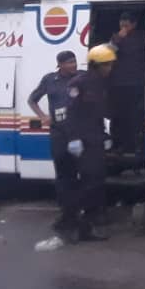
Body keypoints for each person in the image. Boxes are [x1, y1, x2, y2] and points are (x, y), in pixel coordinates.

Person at [58, 44, 117, 242]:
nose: (110, 68)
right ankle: (75, 225)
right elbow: (71, 114)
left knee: (97, 182)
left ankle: (85, 227)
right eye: (107, 65)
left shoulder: (101, 83)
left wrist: (105, 135)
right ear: (96, 65)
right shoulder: (79, 83)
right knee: (89, 184)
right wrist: (74, 139)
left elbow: (99, 114)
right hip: (83, 142)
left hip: (96, 140)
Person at [28, 51, 80, 236]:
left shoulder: (81, 77)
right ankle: (65, 214)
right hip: (58, 133)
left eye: (74, 61)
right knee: (62, 175)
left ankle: (77, 214)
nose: (73, 65)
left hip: (77, 134)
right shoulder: (50, 80)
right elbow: (32, 99)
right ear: (60, 65)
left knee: (78, 174)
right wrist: (43, 117)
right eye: (69, 63)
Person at [109, 11, 145, 156]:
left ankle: (135, 146)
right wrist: (119, 38)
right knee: (118, 116)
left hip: (136, 82)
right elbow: (107, 52)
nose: (124, 27)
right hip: (119, 83)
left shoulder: (142, 37)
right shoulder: (115, 37)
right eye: (121, 24)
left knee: (135, 116)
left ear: (134, 24)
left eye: (127, 24)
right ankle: (119, 145)